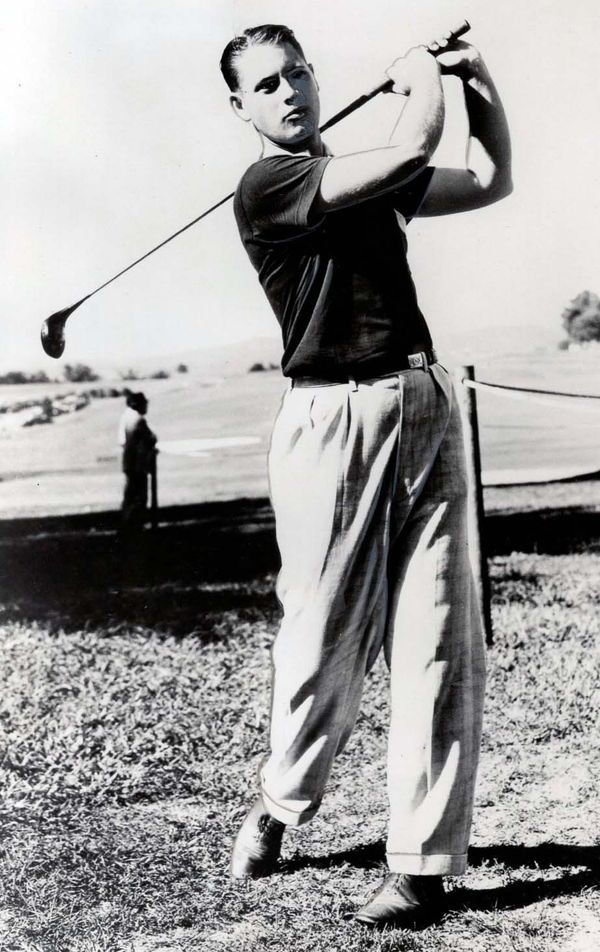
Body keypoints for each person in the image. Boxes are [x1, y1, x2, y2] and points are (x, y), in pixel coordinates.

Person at [220, 23, 512, 927]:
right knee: (320, 644)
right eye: (266, 85)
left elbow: (492, 179)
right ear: (243, 107)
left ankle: (420, 867)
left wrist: (477, 81)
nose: (290, 93)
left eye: (298, 72)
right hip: (329, 419)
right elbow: (416, 140)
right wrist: (419, 79)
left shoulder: (365, 176)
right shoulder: (272, 185)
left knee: (437, 638)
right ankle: (280, 800)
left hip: (423, 397)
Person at [118, 390, 157, 533]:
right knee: (139, 496)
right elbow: (151, 438)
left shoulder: (126, 417)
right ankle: (135, 526)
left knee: (129, 495)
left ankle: (128, 524)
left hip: (129, 462)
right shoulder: (138, 419)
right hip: (138, 464)